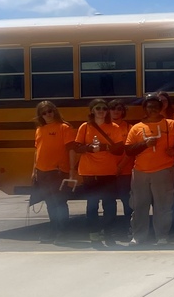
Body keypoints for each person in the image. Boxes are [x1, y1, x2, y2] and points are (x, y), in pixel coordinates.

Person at [125, 93, 174, 246]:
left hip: (164, 170)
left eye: (155, 106)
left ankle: (162, 236)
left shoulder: (171, 124)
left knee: (163, 206)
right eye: (149, 106)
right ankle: (138, 236)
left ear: (161, 108)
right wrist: (144, 144)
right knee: (139, 206)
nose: (152, 109)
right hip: (140, 172)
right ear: (145, 109)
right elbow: (128, 150)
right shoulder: (137, 128)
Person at [70, 99, 125, 244]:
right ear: (92, 111)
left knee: (109, 204)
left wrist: (105, 147)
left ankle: (108, 232)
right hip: (89, 171)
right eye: (98, 108)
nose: (101, 111)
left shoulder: (114, 127)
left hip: (107, 171)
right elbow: (76, 147)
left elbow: (119, 150)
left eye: (104, 108)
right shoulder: (85, 127)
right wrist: (88, 148)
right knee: (92, 204)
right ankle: (93, 232)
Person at [32, 101, 77, 243]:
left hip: (58, 171)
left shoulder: (64, 127)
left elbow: (71, 150)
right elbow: (37, 151)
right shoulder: (39, 129)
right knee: (49, 203)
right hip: (42, 171)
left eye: (50, 111)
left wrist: (71, 170)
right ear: (40, 115)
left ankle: (63, 231)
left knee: (60, 202)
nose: (47, 115)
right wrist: (34, 170)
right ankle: (54, 229)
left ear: (54, 111)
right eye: (44, 113)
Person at [108, 100, 134, 225]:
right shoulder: (104, 127)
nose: (115, 111)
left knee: (127, 199)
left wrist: (120, 167)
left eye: (119, 109)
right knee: (109, 200)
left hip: (125, 170)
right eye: (112, 109)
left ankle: (129, 226)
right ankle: (110, 227)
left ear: (123, 111)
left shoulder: (130, 128)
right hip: (106, 171)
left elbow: (131, 151)